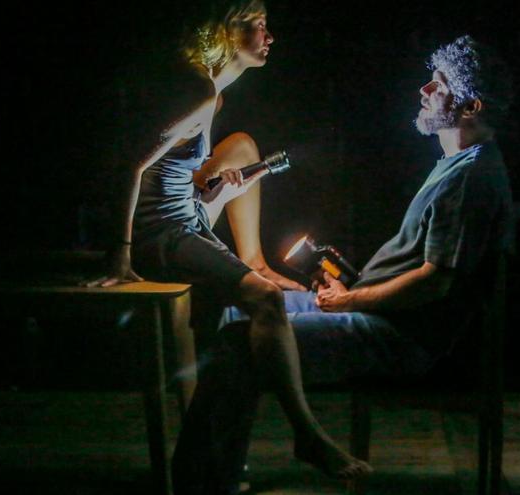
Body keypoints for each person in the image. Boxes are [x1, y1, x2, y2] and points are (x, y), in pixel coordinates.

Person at [192, 34, 515, 489]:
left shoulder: (470, 179)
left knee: (237, 340)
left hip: (397, 337)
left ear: (471, 107)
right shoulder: (459, 164)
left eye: (439, 85)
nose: (424, 90)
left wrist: (350, 301)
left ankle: (206, 479)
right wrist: (351, 292)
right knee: (237, 312)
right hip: (377, 315)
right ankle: (215, 474)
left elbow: (434, 282)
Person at [93, 1, 372, 493]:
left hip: (187, 217)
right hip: (163, 234)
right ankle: (307, 435)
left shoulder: (212, 95)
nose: (270, 36)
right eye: (258, 26)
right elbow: (132, 167)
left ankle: (252, 260)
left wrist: (212, 193)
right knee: (265, 298)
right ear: (226, 30)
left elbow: (169, 174)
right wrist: (122, 254)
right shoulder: (199, 92)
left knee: (243, 151)